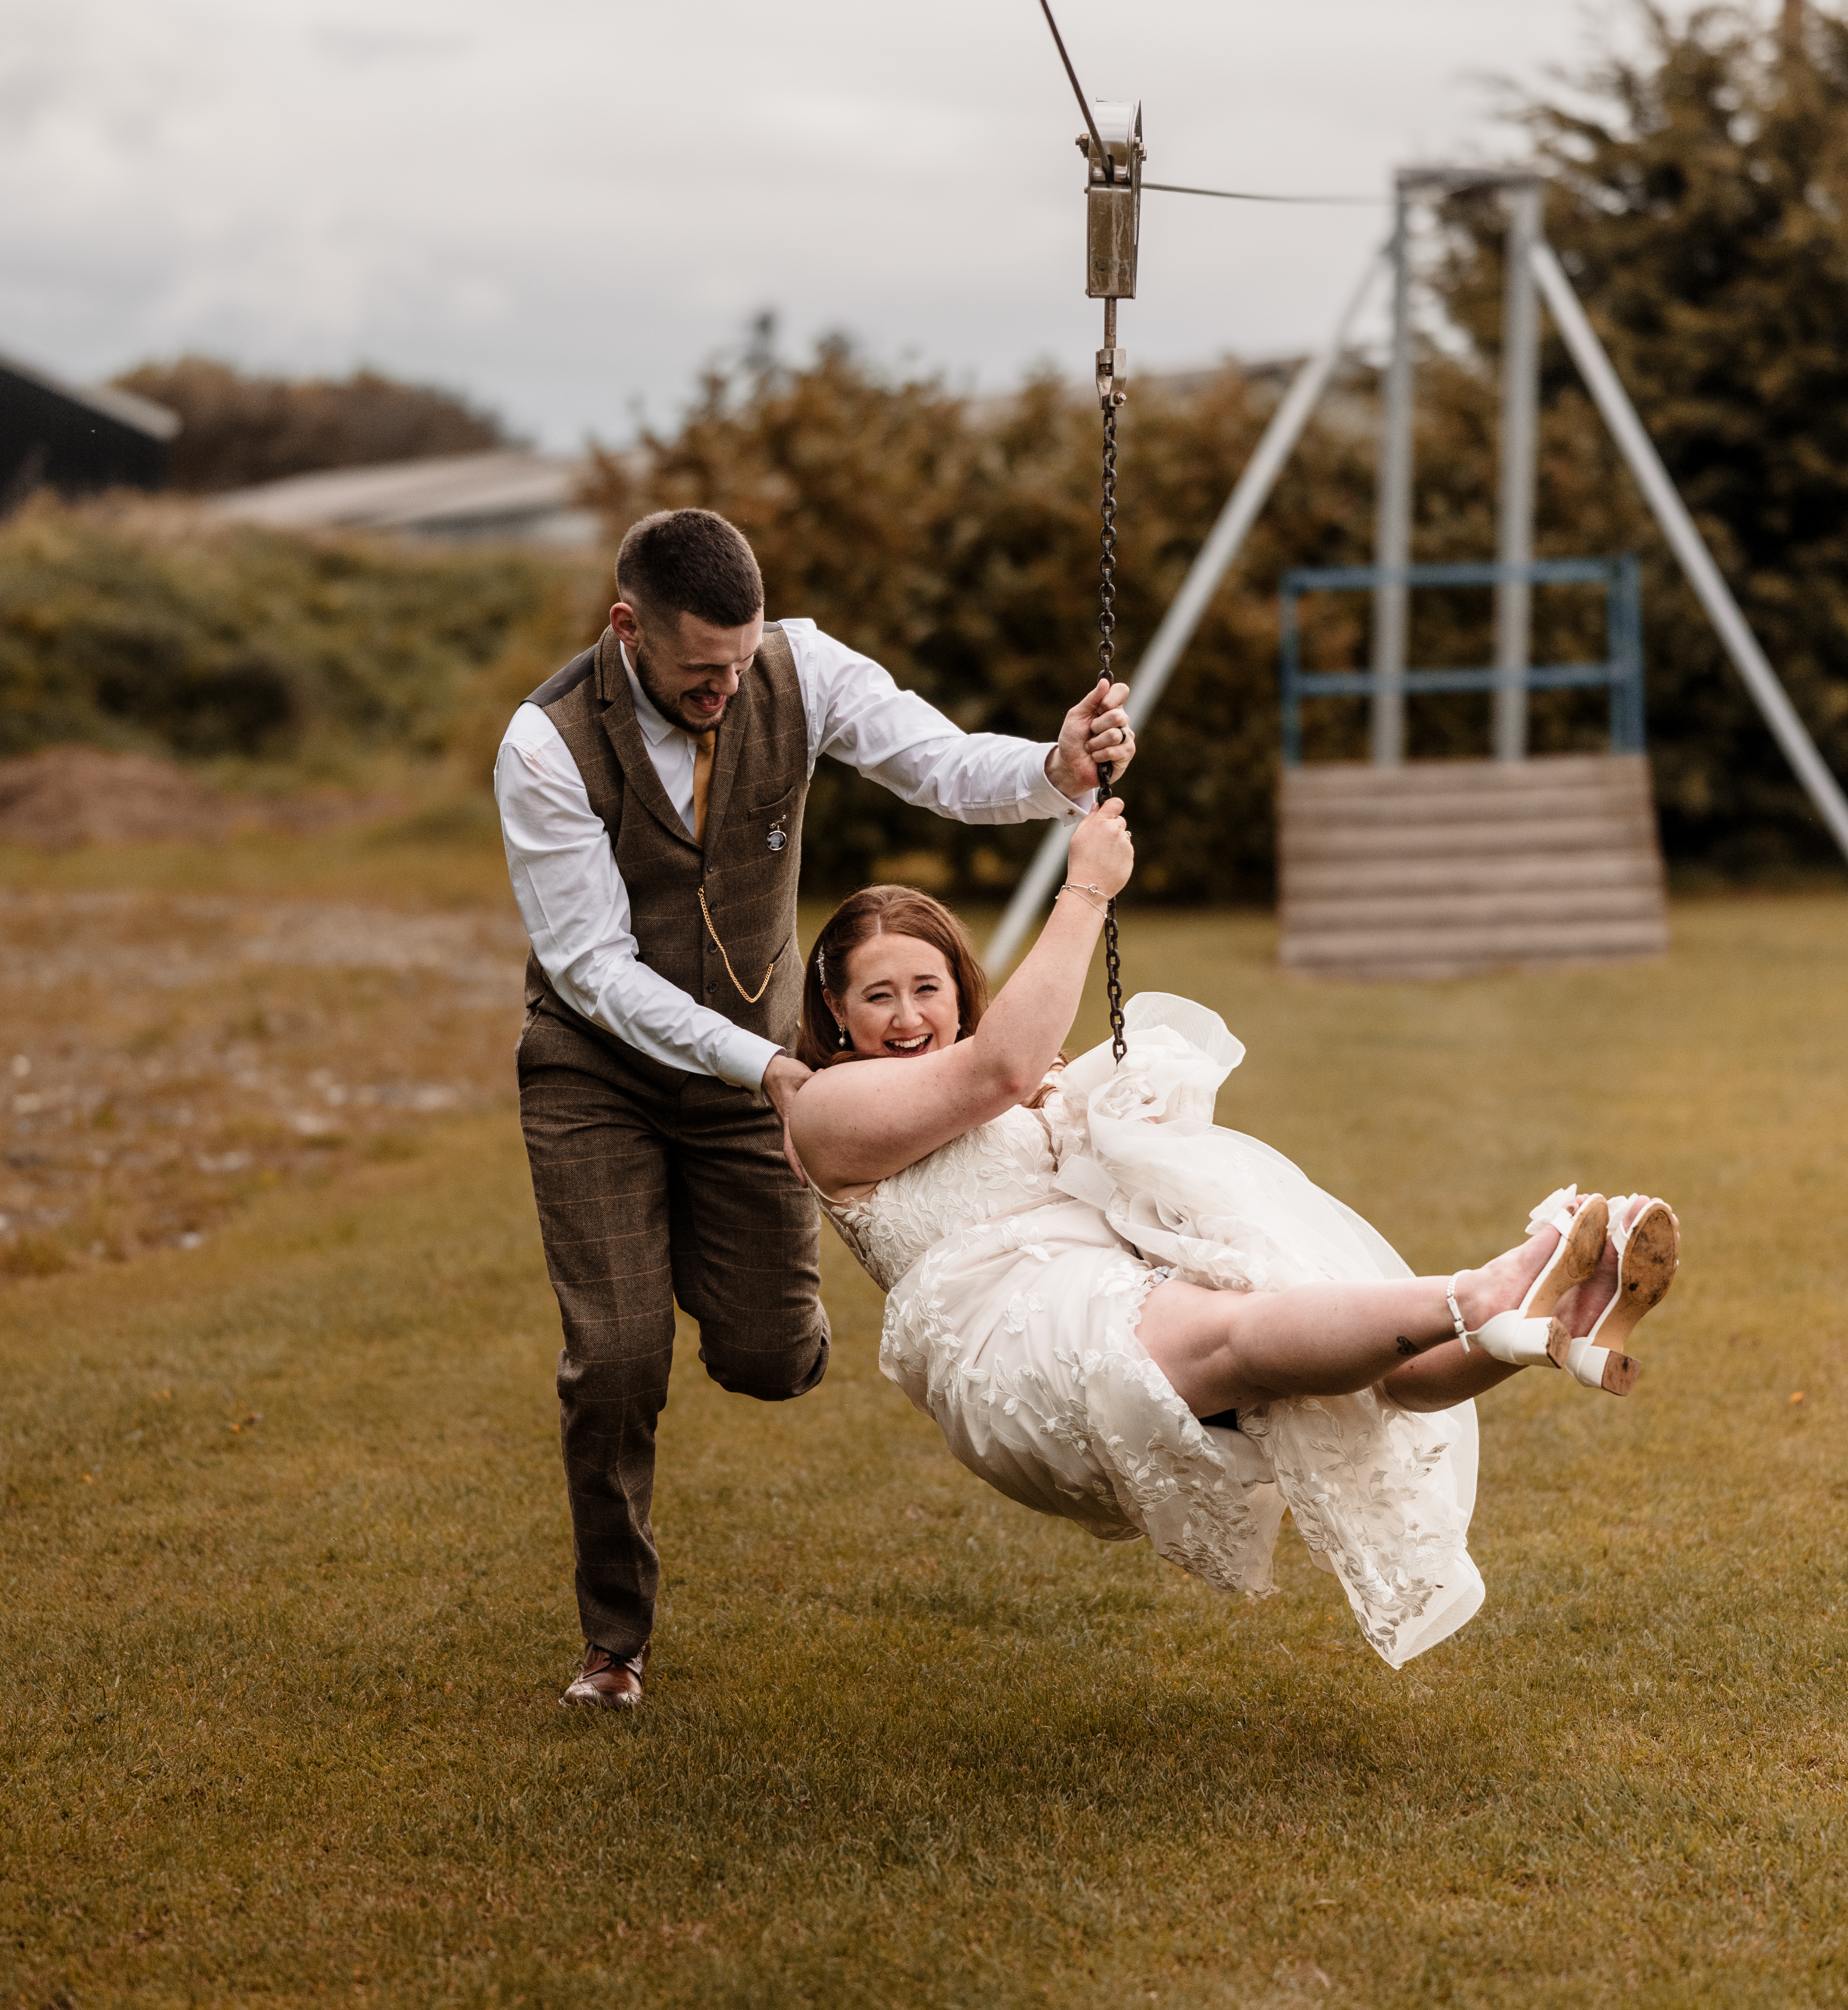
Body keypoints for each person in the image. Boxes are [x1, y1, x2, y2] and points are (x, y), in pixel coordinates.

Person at [788, 803, 1681, 1669]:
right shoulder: (828, 1107)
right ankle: (1493, 1286)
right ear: (832, 1006)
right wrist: (1086, 892)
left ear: (958, 990)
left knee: (1376, 1372)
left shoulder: (996, 1078)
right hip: (1015, 1328)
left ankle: (1551, 1316)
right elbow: (1003, 1065)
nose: (907, 1018)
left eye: (926, 989)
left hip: (1121, 1276)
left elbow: (1022, 1080)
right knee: (1243, 1335)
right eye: (878, 996)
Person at [496, 504, 1137, 1707]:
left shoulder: (801, 666)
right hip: (598, 1074)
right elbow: (592, 965)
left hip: (755, 1077)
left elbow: (939, 764)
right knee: (618, 1356)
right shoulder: (543, 744)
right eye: (698, 671)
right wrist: (771, 1067)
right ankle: (613, 1644)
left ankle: (700, 1254)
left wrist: (1052, 769)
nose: (726, 691)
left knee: (772, 1355)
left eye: (738, 666)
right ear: (626, 627)